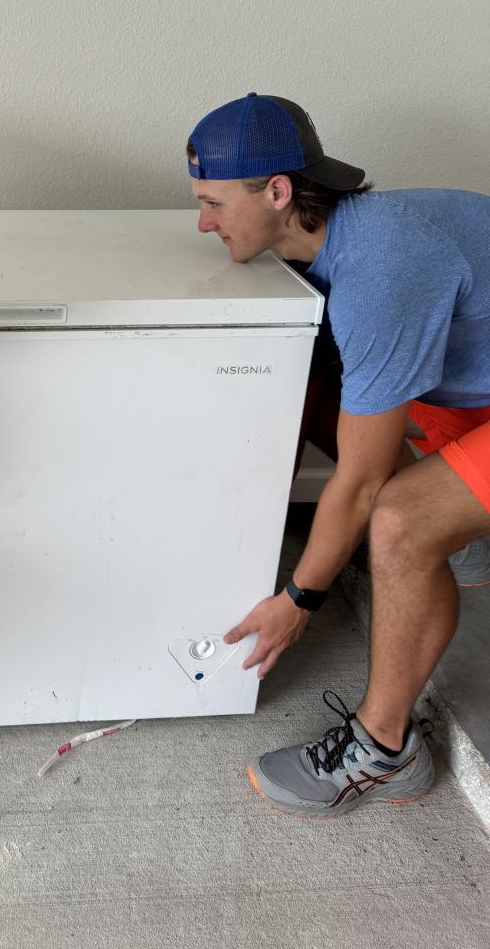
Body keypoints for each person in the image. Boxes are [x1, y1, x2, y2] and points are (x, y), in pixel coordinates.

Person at [186, 92, 490, 818]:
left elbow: (360, 482)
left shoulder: (380, 269)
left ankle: (385, 751)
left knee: (400, 522)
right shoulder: (329, 245)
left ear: (278, 192)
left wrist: (301, 598)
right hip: (474, 383)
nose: (203, 223)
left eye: (213, 203)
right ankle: (468, 535)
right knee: (321, 392)